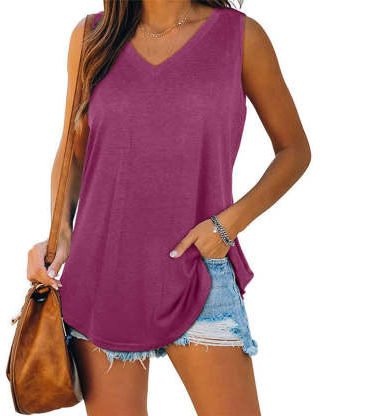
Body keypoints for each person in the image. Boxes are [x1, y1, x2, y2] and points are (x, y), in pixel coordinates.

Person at [27, 1, 311, 414]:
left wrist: (227, 226)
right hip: (103, 276)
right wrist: (60, 235)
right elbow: (73, 151)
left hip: (197, 270)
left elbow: (294, 150)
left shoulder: (240, 37)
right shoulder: (91, 37)